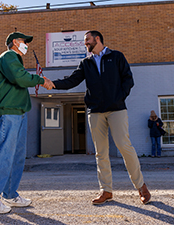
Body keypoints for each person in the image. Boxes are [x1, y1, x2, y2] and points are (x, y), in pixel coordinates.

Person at [50, 30, 151, 205]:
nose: (85, 43)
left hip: (116, 109)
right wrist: (52, 84)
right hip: (95, 112)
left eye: (87, 40)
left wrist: (119, 97)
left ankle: (141, 186)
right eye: (85, 41)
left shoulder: (116, 56)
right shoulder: (86, 63)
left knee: (124, 146)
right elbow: (72, 80)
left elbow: (128, 79)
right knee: (100, 153)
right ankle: (106, 190)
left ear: (97, 39)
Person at [0, 31, 53, 214]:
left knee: (17, 155)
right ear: (14, 42)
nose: (26, 44)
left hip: (18, 112)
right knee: (5, 153)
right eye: (23, 41)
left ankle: (10, 194)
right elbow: (19, 78)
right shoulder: (9, 56)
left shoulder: (15, 60)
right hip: (8, 111)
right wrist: (41, 80)